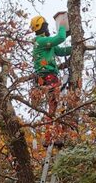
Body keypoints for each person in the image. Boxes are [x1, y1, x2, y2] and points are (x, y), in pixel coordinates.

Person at [30, 14, 72, 145]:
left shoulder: (47, 44)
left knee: (53, 106)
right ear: (43, 27)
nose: (48, 28)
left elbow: (62, 51)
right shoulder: (39, 41)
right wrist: (62, 27)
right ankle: (49, 137)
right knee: (54, 103)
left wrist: (77, 47)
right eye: (46, 26)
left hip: (48, 76)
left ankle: (52, 135)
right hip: (47, 76)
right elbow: (59, 38)